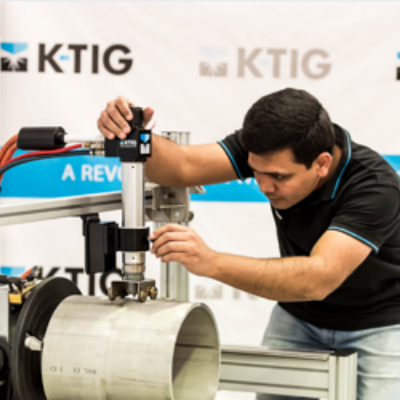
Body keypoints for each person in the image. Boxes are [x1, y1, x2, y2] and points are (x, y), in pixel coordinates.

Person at [98, 88, 400, 400]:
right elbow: (183, 167)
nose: (264, 186)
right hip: (300, 316)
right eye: (255, 172)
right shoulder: (270, 144)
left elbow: (317, 278)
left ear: (322, 164)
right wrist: (131, 135)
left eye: (278, 177)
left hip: (379, 325)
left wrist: (211, 262)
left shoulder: (374, 186)